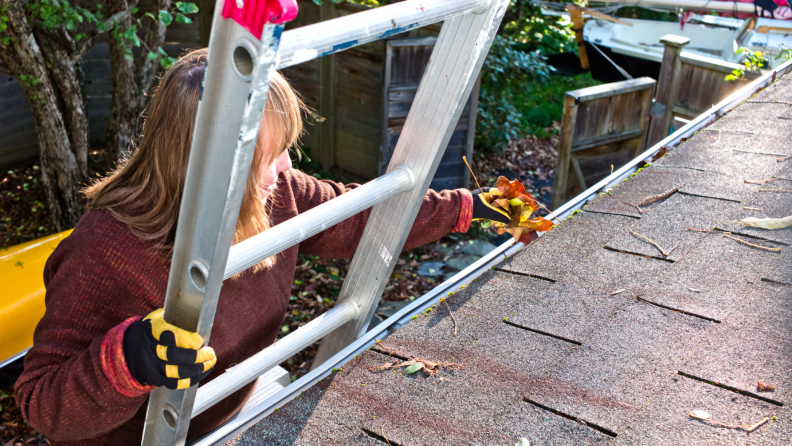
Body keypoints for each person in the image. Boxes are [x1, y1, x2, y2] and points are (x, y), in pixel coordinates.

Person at [13, 48, 518, 445]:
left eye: (285, 150)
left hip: (227, 413)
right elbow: (40, 403)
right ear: (210, 165)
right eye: (270, 155)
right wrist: (127, 359)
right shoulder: (107, 250)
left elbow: (362, 212)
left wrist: (468, 208)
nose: (285, 169)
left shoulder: (278, 194)